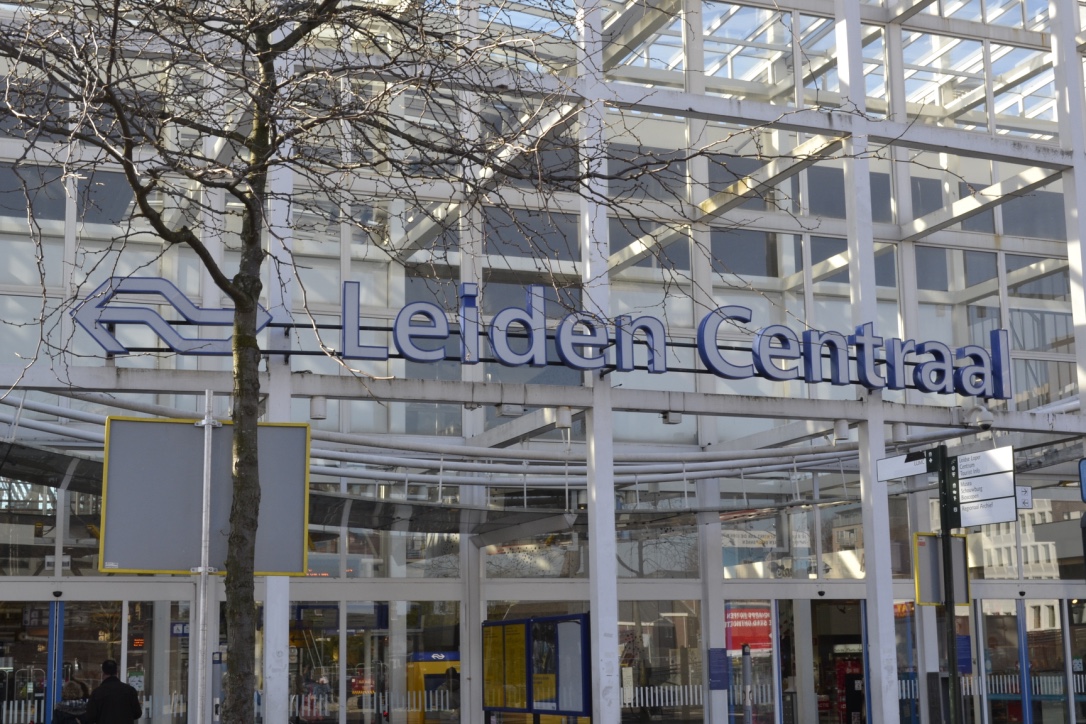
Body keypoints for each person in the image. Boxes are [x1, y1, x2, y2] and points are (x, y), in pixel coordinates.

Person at [81, 660, 142, 724]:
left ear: (103, 673)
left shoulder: (97, 692)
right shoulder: (130, 691)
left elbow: (91, 717)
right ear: (116, 673)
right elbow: (137, 713)